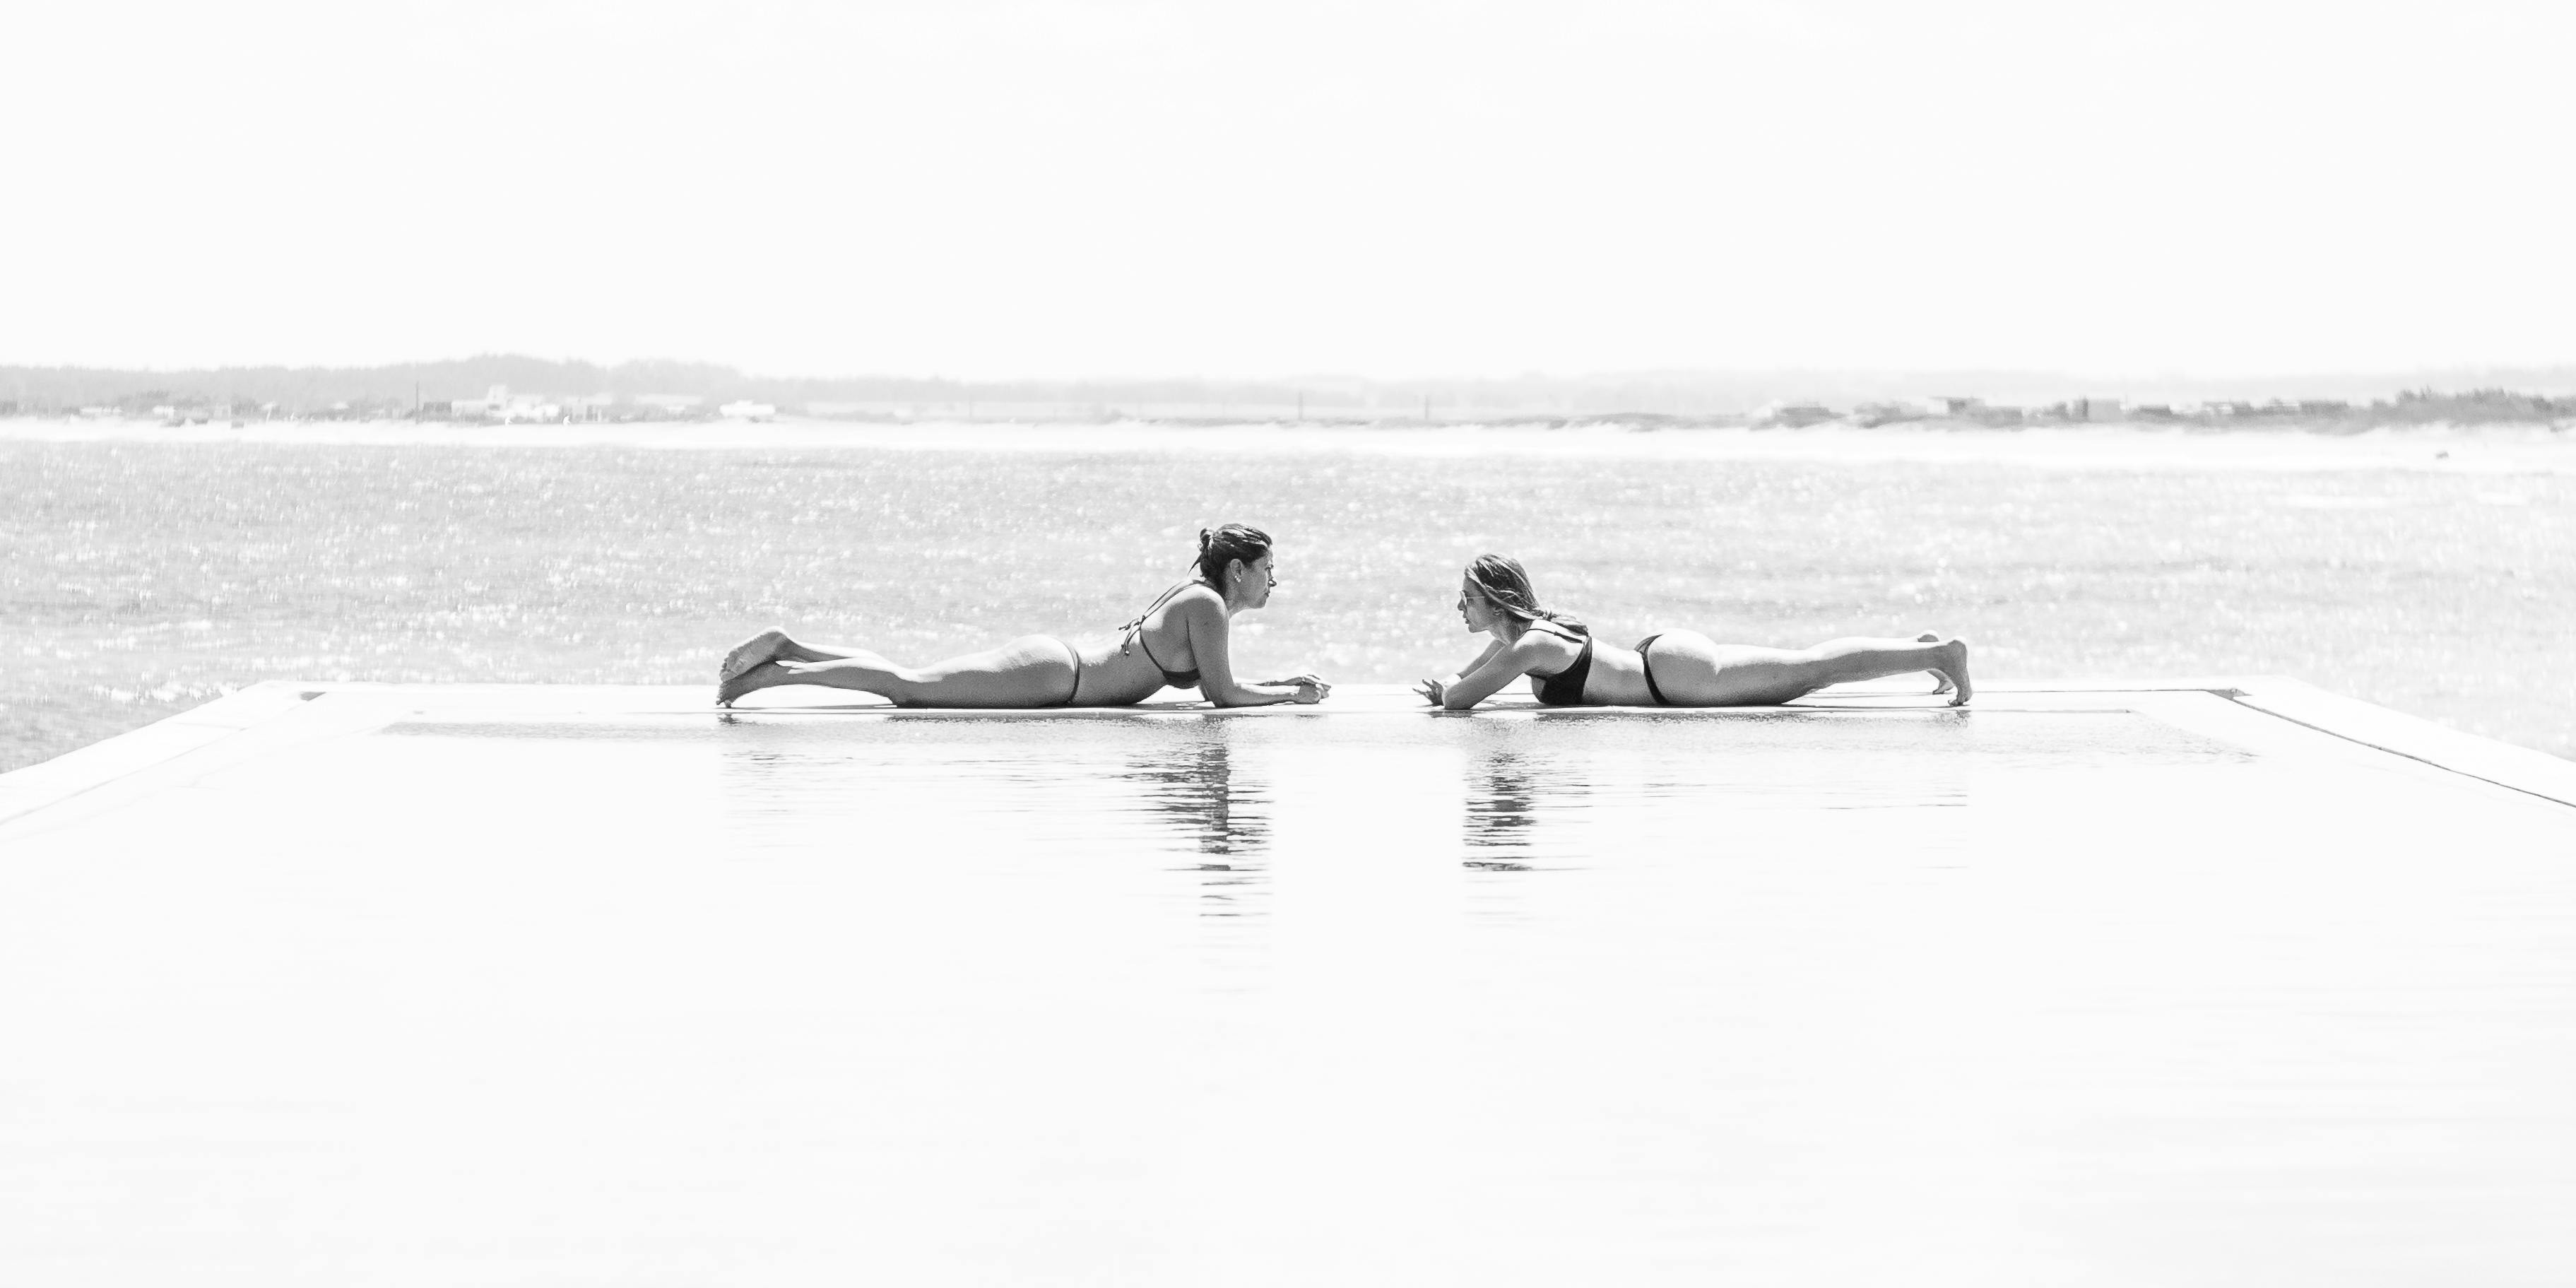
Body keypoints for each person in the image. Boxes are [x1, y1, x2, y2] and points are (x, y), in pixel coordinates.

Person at [721, 524, 1328, 712]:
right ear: (1238, 571)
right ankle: (770, 676)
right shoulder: (1208, 606)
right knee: (907, 691)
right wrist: (1292, 696)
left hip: (1056, 667)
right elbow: (1222, 697)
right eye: (1268, 569)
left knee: (910, 679)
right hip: (1053, 678)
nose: (1273, 581)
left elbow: (1223, 686)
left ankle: (793, 647)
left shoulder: (1204, 603)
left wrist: (1284, 683)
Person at [1417, 554, 1970, 711]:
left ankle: (1944, 653)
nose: (1459, 608)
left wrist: (1447, 692)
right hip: (1665, 662)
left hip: (1679, 680)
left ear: (1497, 602)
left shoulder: (1531, 644)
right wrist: (1447, 685)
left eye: (1467, 599)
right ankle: (1920, 651)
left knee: (1813, 671)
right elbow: (1464, 679)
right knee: (1809, 663)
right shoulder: (1521, 637)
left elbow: (1463, 697)